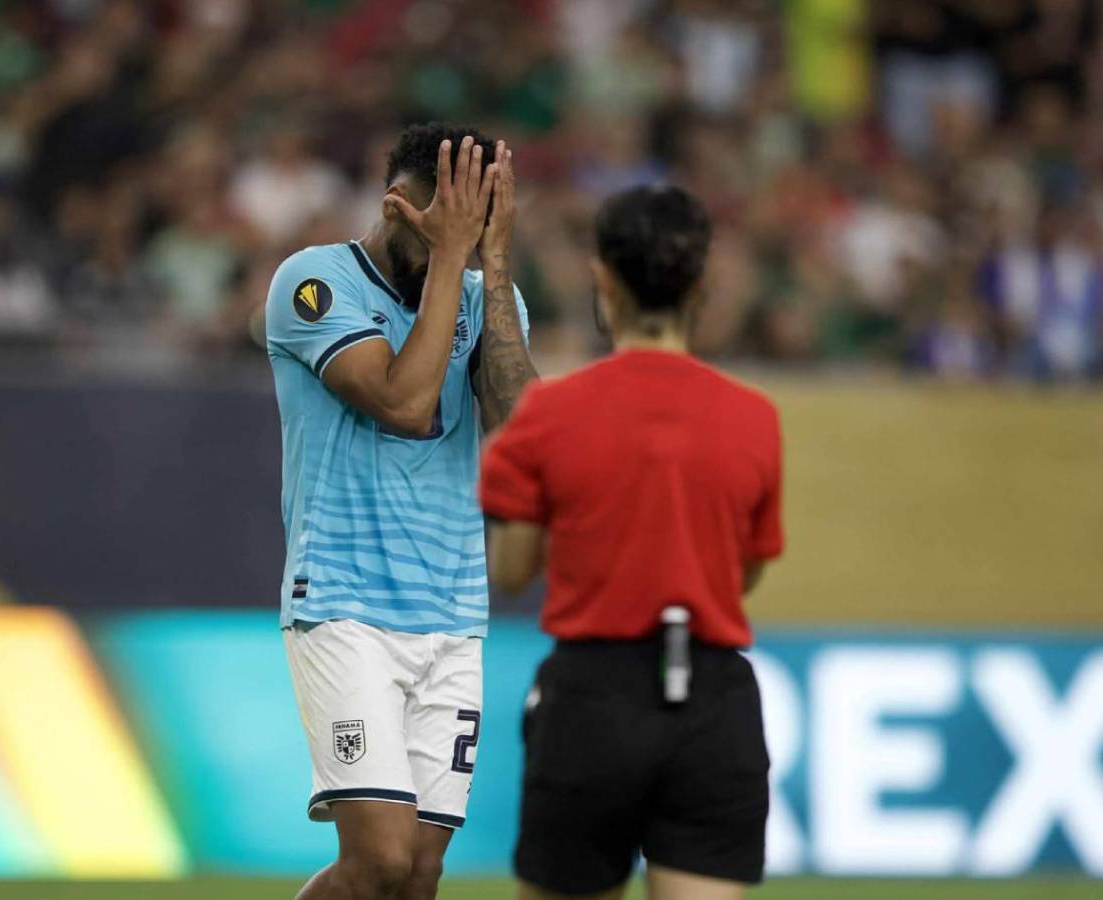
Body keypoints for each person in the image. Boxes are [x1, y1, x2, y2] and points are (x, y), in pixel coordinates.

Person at [479, 185, 783, 900]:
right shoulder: (754, 418)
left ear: (602, 280)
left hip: (592, 698)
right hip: (713, 700)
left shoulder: (546, 416)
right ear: (700, 285)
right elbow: (744, 574)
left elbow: (514, 570)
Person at [265, 123, 536, 900]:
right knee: (378, 861)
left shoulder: (491, 293)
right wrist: (453, 257)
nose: (461, 238)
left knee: (418, 874)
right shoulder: (314, 284)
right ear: (396, 209)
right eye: (445, 221)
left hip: (452, 613)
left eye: (479, 221)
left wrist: (492, 263)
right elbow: (405, 403)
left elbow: (521, 431)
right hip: (346, 605)